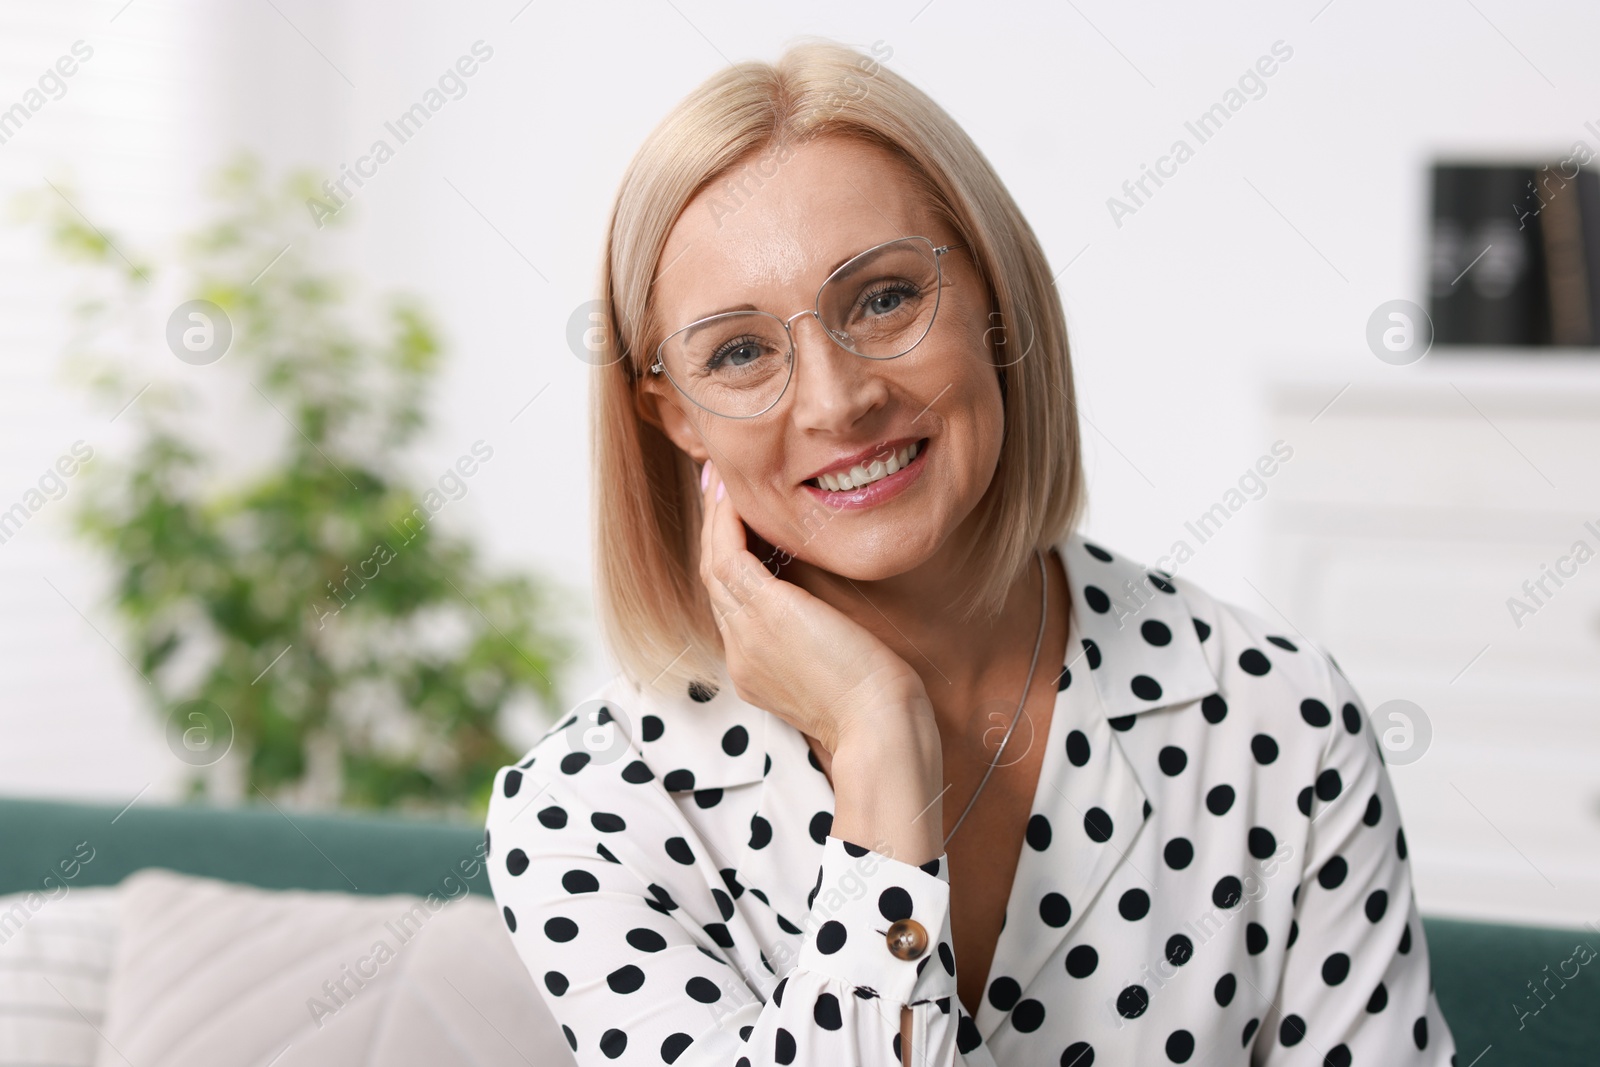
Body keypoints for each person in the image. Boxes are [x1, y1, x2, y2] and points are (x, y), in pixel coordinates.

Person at [484, 37, 1458, 1067]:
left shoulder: (1282, 722)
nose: (836, 398)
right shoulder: (590, 814)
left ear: (990, 295)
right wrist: (876, 740)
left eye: (884, 298)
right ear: (674, 416)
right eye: (737, 351)